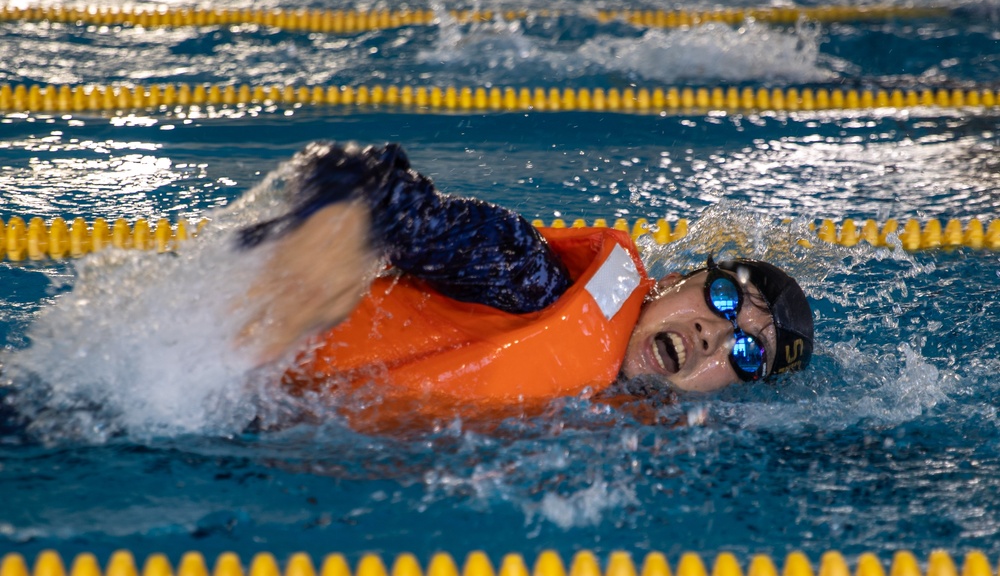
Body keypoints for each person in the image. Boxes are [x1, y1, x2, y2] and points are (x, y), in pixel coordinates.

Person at [237, 143, 814, 417]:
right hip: (233, 380)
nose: (714, 333)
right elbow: (369, 180)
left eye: (745, 351)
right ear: (671, 282)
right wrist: (332, 237)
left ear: (733, 388)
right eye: (723, 297)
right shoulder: (534, 281)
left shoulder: (626, 423)